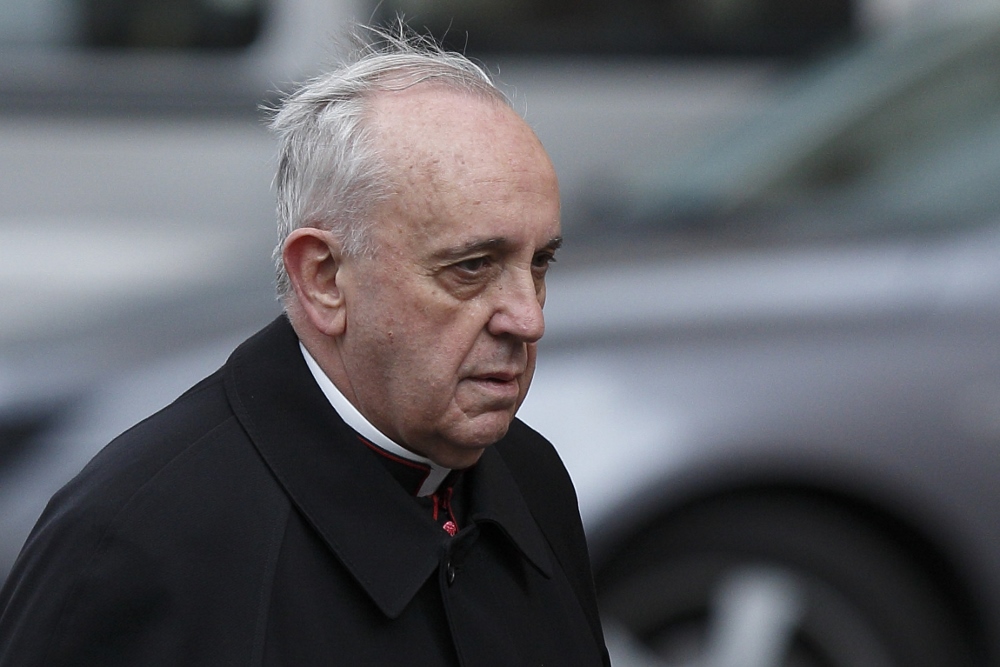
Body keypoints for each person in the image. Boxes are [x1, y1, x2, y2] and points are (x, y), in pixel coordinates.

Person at [0, 27, 610, 667]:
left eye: (538, 264)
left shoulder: (529, 476)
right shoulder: (141, 538)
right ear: (323, 278)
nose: (526, 318)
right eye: (471, 268)